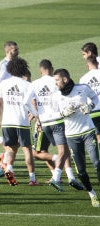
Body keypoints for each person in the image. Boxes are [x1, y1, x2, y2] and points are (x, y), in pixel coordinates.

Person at [28, 59, 83, 191]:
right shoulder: (56, 81)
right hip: (58, 120)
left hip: (44, 123)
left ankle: (68, 177)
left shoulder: (34, 84)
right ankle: (62, 177)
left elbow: (30, 102)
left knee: (54, 150)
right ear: (51, 69)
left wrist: (36, 116)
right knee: (63, 151)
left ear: (40, 70)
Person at [52, 68, 100, 207]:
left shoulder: (83, 88)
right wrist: (62, 114)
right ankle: (92, 194)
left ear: (65, 79)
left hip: (88, 131)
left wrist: (90, 106)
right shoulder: (56, 96)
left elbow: (95, 98)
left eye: (57, 80)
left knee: (97, 163)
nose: (55, 83)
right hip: (72, 136)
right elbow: (53, 113)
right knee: (81, 171)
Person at [0, 57, 39, 186]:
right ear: (23, 69)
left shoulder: (3, 84)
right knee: (27, 150)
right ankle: (32, 179)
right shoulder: (28, 85)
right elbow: (32, 103)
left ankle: (9, 170)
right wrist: (36, 117)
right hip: (22, 121)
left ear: (10, 70)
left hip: (7, 122)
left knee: (10, 149)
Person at [79, 56, 100, 143]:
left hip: (93, 112)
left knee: (98, 138)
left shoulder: (83, 79)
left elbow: (82, 98)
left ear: (87, 66)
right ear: (98, 63)